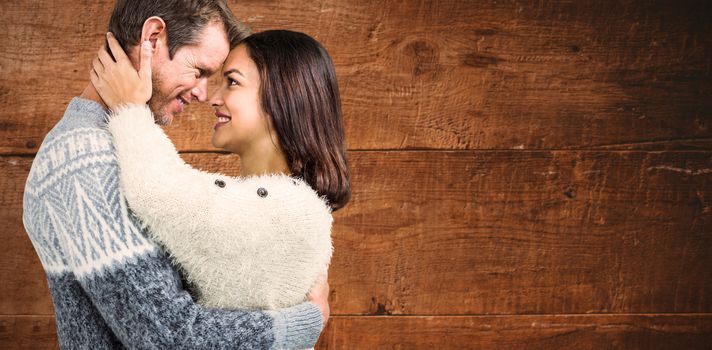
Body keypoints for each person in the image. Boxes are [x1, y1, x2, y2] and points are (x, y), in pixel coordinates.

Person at [22, 1, 329, 348]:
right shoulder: (83, 160)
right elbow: (169, 338)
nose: (202, 93)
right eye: (199, 70)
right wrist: (305, 320)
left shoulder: (119, 145)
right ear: (153, 39)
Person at [91, 29, 350, 313]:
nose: (214, 98)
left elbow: (160, 192)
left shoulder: (297, 214)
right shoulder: (270, 205)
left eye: (232, 82)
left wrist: (130, 108)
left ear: (284, 94)